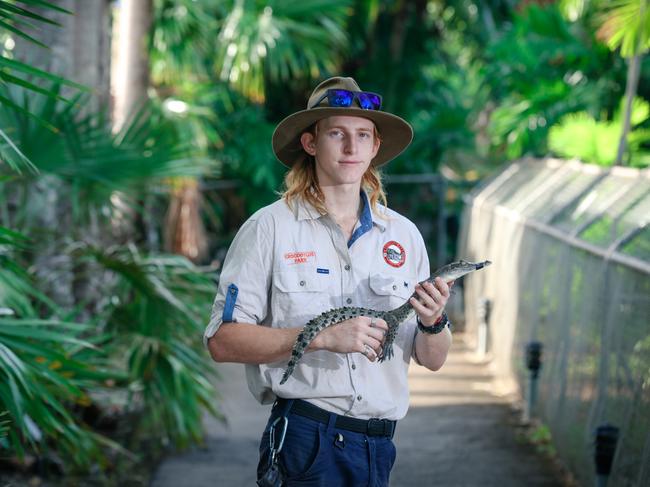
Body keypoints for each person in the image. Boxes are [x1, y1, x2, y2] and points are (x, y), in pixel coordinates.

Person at [204, 76, 453, 487]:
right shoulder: (268, 228)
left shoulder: (404, 235)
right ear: (311, 143)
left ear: (376, 147)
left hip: (379, 448)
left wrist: (434, 322)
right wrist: (319, 337)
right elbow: (222, 340)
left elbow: (434, 358)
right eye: (337, 133)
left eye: (363, 135)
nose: (351, 148)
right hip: (306, 440)